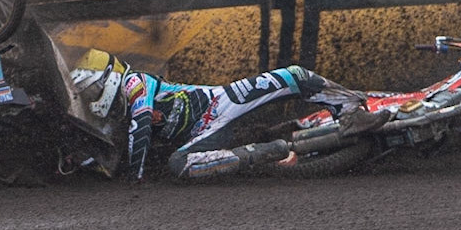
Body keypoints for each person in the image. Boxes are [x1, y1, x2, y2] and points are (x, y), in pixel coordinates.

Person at [65, 50, 390, 181]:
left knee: (293, 74)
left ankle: (350, 111)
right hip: (202, 135)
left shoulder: (136, 83)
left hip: (219, 102)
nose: (93, 100)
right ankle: (260, 152)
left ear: (106, 80)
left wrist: (135, 179)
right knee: (179, 164)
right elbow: (106, 155)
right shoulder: (115, 118)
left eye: (93, 91)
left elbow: (141, 125)